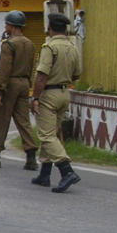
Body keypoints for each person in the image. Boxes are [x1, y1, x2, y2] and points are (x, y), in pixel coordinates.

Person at [0, 10, 39, 170]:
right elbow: (32, 66)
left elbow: (5, 70)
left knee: (0, 120)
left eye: (6, 24)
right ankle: (31, 156)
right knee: (23, 121)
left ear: (11, 26)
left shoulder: (8, 44)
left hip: (10, 84)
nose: (5, 26)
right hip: (24, 83)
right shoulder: (30, 44)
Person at [31, 13, 83, 192]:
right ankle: (45, 174)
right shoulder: (72, 48)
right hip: (64, 93)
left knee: (46, 135)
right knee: (52, 133)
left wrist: (35, 98)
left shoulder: (50, 48)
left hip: (49, 94)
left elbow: (42, 76)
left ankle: (66, 170)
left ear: (50, 27)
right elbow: (77, 74)